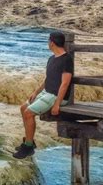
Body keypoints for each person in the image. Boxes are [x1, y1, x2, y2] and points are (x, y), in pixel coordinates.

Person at [12, 30, 74, 159]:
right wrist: (36, 92)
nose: (47, 43)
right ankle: (29, 141)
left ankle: (28, 147)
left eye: (48, 40)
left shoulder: (66, 59)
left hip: (56, 96)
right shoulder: (51, 59)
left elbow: (65, 84)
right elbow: (48, 79)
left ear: (52, 42)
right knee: (23, 108)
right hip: (47, 93)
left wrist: (57, 104)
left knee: (29, 113)